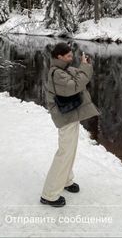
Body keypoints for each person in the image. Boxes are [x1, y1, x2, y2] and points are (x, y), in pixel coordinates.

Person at [40, 42, 101, 207]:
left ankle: (66, 180)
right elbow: (74, 86)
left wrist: (85, 65)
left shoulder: (66, 69)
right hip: (65, 117)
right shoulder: (56, 73)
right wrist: (83, 69)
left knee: (70, 150)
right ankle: (49, 194)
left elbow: (82, 76)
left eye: (71, 55)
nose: (71, 57)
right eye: (68, 56)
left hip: (71, 114)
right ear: (59, 56)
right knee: (64, 153)